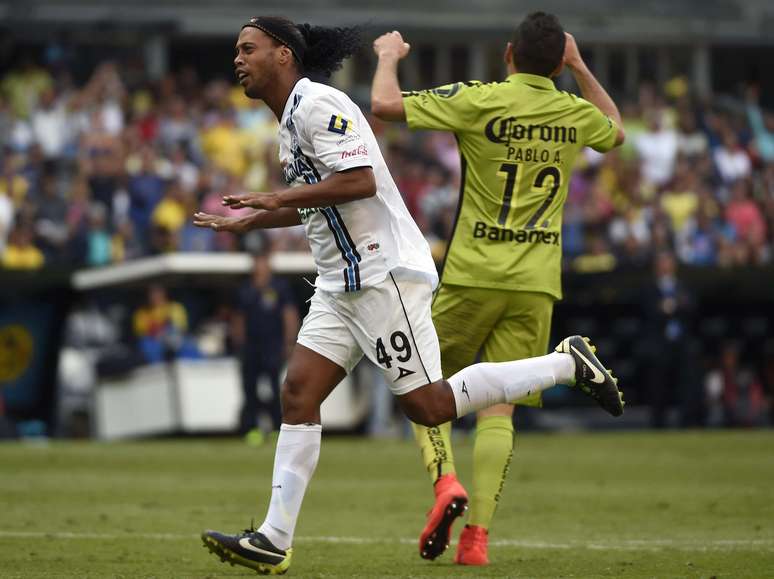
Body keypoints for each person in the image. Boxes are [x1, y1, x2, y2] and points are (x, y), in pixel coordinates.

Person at [193, 15, 624, 575]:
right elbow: (324, 199)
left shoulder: (320, 103)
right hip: (340, 282)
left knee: (429, 405)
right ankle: (274, 538)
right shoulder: (290, 118)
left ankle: (565, 364)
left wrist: (274, 198)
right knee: (298, 392)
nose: (238, 59)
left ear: (282, 54)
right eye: (236, 50)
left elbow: (360, 181)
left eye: (248, 48)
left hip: (383, 275)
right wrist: (254, 222)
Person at [370, 12, 625, 565]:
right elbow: (616, 129)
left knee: (418, 388)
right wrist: (578, 66)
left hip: (471, 274)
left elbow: (385, 106)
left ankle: (446, 485)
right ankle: (477, 541)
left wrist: (388, 56)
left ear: (509, 53)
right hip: (536, 282)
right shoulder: (572, 111)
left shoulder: (481, 98)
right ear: (558, 62)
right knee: (500, 406)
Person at [234, 248, 299, 438]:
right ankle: (252, 428)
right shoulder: (245, 289)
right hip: (251, 348)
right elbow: (238, 319)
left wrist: (288, 343)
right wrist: (239, 344)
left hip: (273, 346)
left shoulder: (279, 287)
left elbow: (290, 316)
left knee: (274, 388)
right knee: (250, 389)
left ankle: (279, 428)